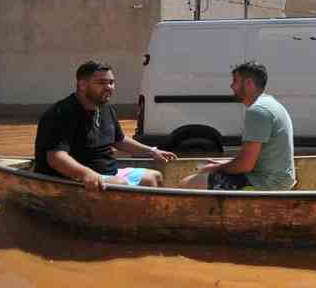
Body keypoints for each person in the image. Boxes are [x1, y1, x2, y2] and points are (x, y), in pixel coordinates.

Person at [34, 61, 177, 191]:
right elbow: (55, 158)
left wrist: (152, 151)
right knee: (121, 186)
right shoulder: (61, 113)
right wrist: (87, 174)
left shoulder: (105, 108)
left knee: (153, 177)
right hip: (71, 178)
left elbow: (119, 140)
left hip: (108, 172)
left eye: (111, 82)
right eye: (102, 83)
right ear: (83, 85)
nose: (109, 87)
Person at [180, 61, 295, 191]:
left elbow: (245, 165)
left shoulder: (258, 111)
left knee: (189, 183)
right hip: (277, 180)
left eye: (235, 81)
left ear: (249, 83)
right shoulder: (270, 103)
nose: (231, 86)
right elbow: (251, 159)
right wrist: (223, 164)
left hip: (266, 184)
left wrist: (216, 168)